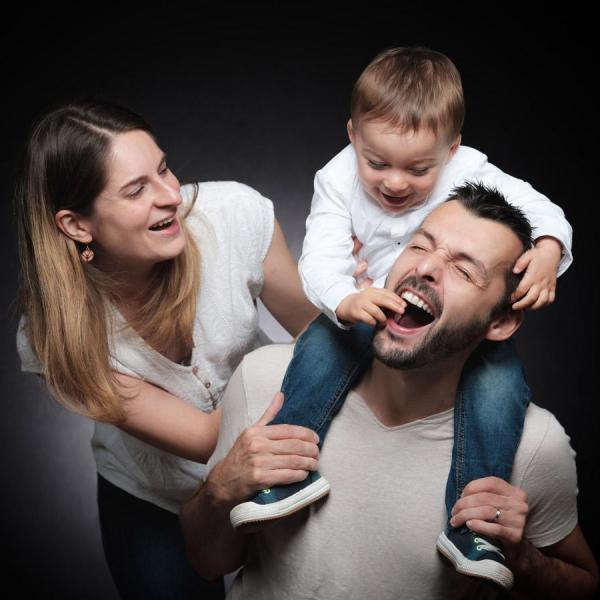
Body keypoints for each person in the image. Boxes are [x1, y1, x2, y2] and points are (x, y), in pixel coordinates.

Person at [229, 46, 572, 587]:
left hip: (440, 332)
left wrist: (550, 247)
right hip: (368, 306)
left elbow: (543, 211)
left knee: (499, 390)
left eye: (418, 169)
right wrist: (345, 298)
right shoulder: (336, 178)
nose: (393, 183)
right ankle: (286, 475)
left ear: (452, 149)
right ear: (352, 135)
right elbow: (319, 255)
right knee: (319, 350)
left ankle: (476, 528)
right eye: (377, 162)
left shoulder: (471, 170)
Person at [181, 184, 598, 599]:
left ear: (501, 323)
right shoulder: (267, 382)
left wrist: (523, 558)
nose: (428, 268)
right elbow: (207, 563)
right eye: (420, 246)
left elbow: (584, 584)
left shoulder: (533, 447)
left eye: (465, 270)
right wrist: (221, 488)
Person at [14, 100, 318, 599]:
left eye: (163, 169)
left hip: (274, 459)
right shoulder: (53, 333)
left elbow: (315, 330)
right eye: (137, 190)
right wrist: (309, 375)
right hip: (155, 499)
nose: (171, 195)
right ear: (76, 226)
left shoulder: (232, 215)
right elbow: (202, 439)